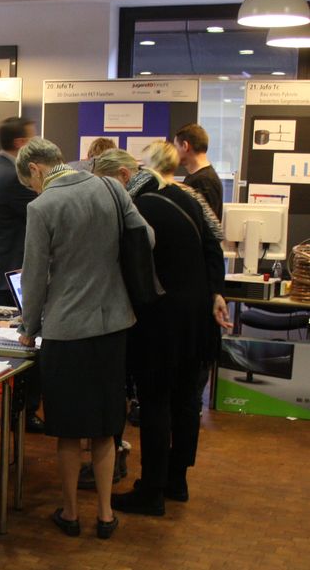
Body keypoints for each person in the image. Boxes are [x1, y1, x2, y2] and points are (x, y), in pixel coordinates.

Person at [15, 137, 150, 540]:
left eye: (30, 183)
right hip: (112, 326)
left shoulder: (41, 207)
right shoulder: (109, 186)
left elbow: (34, 277)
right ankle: (106, 514)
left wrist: (28, 328)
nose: (33, 190)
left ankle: (71, 513)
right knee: (107, 428)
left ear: (36, 171)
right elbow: (147, 238)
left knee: (70, 432)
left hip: (66, 330)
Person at [92, 147, 231, 516]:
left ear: (123, 177)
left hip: (161, 319)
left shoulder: (136, 207)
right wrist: (215, 292)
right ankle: (176, 481)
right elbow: (213, 247)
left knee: (155, 402)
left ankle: (150, 492)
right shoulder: (185, 195)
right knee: (186, 402)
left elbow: (131, 269)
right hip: (197, 316)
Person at [0, 116, 44, 432]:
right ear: (21, 144)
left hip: (3, 268)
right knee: (25, 344)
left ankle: (22, 409)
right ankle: (23, 412)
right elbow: (44, 207)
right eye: (33, 139)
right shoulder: (11, 177)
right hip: (13, 272)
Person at [145, 139, 223, 242]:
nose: (144, 169)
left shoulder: (147, 197)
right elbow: (216, 232)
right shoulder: (191, 193)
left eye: (145, 164)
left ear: (153, 165)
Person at [174, 123, 222, 219]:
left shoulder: (204, 181)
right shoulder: (197, 177)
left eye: (176, 147)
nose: (174, 152)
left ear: (185, 146)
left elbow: (204, 225)